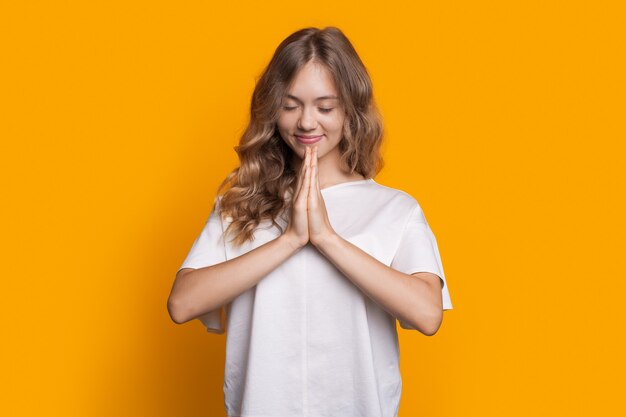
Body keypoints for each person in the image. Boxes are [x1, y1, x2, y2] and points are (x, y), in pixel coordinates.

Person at [167, 26, 453, 417]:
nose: (306, 122)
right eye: (290, 105)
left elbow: (427, 314)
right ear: (272, 109)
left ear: (350, 109)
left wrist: (326, 238)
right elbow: (182, 303)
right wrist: (290, 239)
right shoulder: (240, 204)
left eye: (325, 107)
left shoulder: (395, 209)